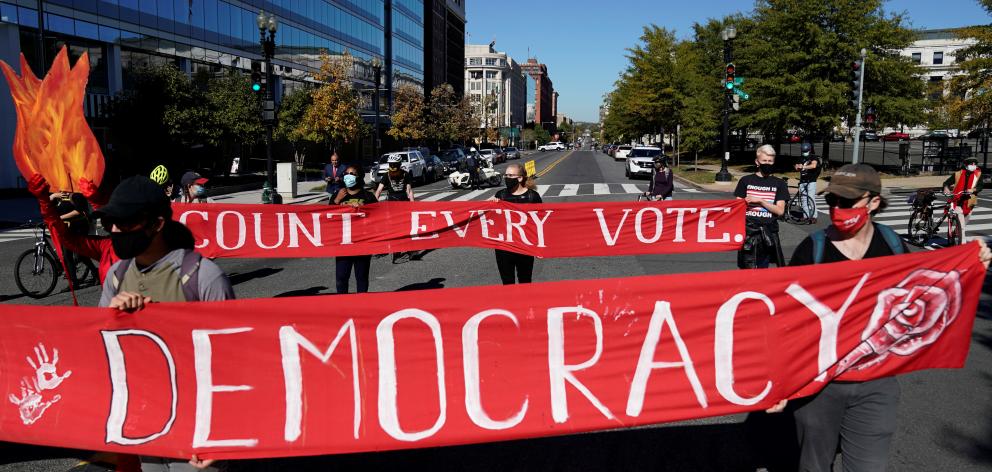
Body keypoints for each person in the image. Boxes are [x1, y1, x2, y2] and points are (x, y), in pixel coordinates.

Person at [767, 163, 992, 471]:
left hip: (877, 384)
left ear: (873, 202)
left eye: (846, 202)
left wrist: (972, 259)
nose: (836, 208)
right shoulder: (813, 248)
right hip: (819, 385)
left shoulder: (893, 246)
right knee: (813, 466)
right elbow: (786, 318)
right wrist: (781, 380)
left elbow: (929, 283)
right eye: (832, 201)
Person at [94, 176, 234, 472]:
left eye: (124, 222)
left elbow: (232, 359)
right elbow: (99, 351)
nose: (115, 231)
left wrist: (221, 436)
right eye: (110, 224)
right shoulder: (116, 276)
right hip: (146, 420)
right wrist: (113, 317)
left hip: (195, 425)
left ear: (156, 225)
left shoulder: (203, 276)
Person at [734, 144, 789, 268]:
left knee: (763, 269)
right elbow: (737, 207)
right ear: (757, 162)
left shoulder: (779, 183)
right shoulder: (745, 181)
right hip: (748, 233)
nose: (767, 164)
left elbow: (780, 211)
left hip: (768, 233)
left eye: (770, 161)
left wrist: (761, 201)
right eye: (764, 161)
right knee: (746, 268)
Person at [488, 163, 542, 284]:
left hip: (524, 246)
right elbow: (492, 222)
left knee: (525, 281)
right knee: (507, 283)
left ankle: (526, 303)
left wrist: (538, 246)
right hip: (504, 248)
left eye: (510, 175)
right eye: (506, 175)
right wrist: (492, 206)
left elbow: (539, 223)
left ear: (520, 178)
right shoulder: (500, 195)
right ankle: (511, 303)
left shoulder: (533, 197)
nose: (507, 178)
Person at [333, 165, 377, 293]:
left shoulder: (368, 196)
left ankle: (361, 305)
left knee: (361, 277)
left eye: (353, 174)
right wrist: (337, 200)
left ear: (359, 177)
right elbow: (327, 217)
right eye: (347, 173)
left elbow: (377, 218)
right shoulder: (338, 195)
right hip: (343, 244)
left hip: (362, 243)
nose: (349, 176)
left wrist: (364, 209)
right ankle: (343, 305)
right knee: (341, 278)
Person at [375, 155, 415, 263]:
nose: (392, 167)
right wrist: (373, 204)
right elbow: (379, 190)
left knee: (406, 227)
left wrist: (413, 204)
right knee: (393, 227)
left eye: (395, 165)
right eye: (391, 165)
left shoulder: (405, 175)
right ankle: (396, 248)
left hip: (404, 204)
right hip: (391, 205)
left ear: (399, 165)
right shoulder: (386, 176)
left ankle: (410, 249)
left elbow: (409, 191)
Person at [942, 156, 984, 241]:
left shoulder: (978, 174)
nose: (973, 165)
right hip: (957, 201)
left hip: (969, 202)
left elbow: (980, 186)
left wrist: (973, 190)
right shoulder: (958, 174)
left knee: (964, 224)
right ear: (965, 165)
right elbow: (947, 182)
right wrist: (946, 188)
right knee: (962, 226)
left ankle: (954, 233)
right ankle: (962, 245)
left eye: (975, 164)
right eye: (971, 164)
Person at [794, 142, 821, 223]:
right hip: (802, 181)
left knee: (810, 198)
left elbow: (814, 165)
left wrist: (803, 166)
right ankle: (805, 216)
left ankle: (813, 216)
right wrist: (797, 167)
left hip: (811, 181)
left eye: (805, 151)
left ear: (809, 150)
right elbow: (796, 166)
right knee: (803, 199)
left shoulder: (813, 157)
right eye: (803, 151)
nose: (804, 153)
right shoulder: (801, 158)